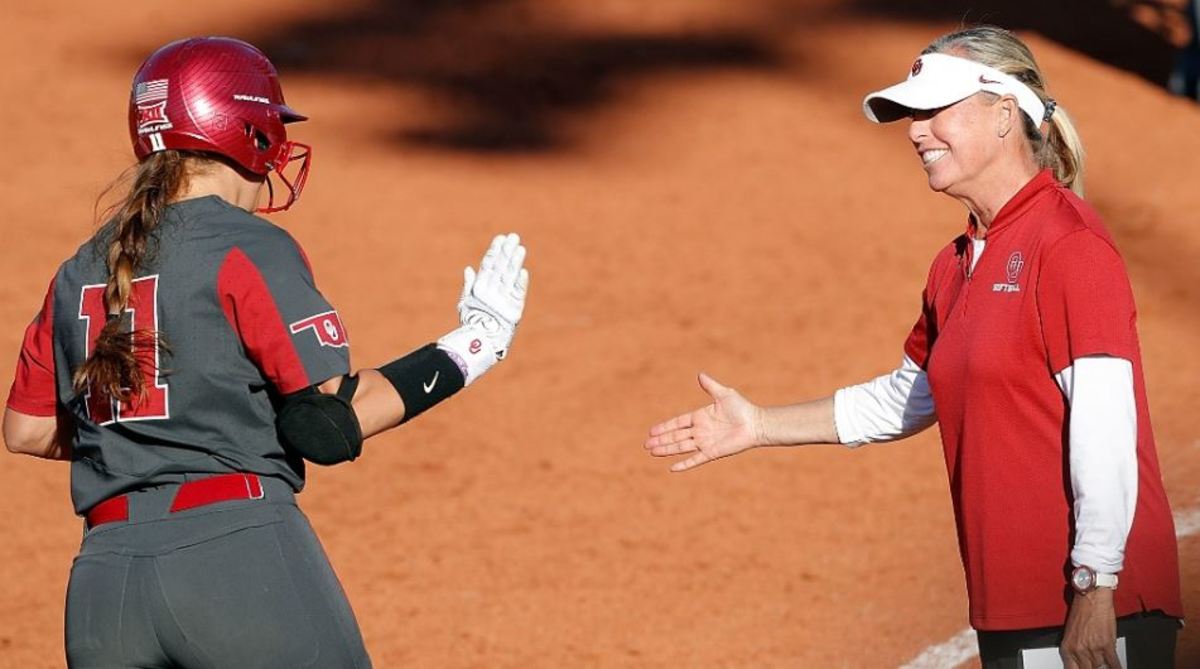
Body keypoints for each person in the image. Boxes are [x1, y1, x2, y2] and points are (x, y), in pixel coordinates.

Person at [645, 25, 1182, 669]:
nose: (916, 131)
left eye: (934, 111)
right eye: (911, 114)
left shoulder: (1068, 247)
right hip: (1012, 601)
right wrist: (760, 425)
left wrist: (1097, 583)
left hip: (1090, 609)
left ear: (1004, 114)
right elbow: (911, 395)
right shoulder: (956, 265)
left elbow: (1105, 421)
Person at [3, 36, 529, 669]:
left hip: (103, 591)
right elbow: (328, 424)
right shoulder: (245, 245)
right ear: (248, 133)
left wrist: (149, 434)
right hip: (237, 563)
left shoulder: (78, 269)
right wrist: (473, 345)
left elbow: (28, 429)